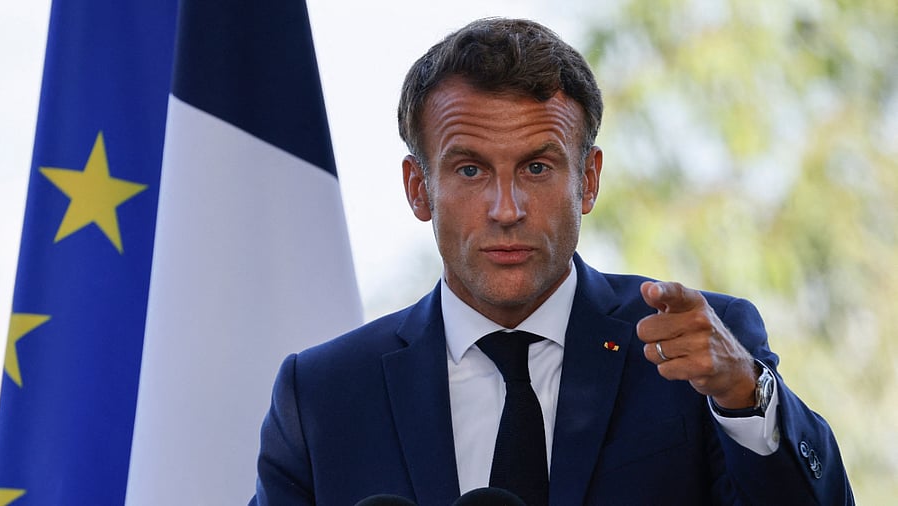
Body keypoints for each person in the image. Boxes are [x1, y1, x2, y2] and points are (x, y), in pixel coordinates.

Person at [250, 17, 853, 505]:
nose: (506, 208)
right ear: (418, 189)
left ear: (587, 181)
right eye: (469, 170)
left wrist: (747, 393)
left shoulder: (697, 355)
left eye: (537, 167)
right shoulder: (323, 397)